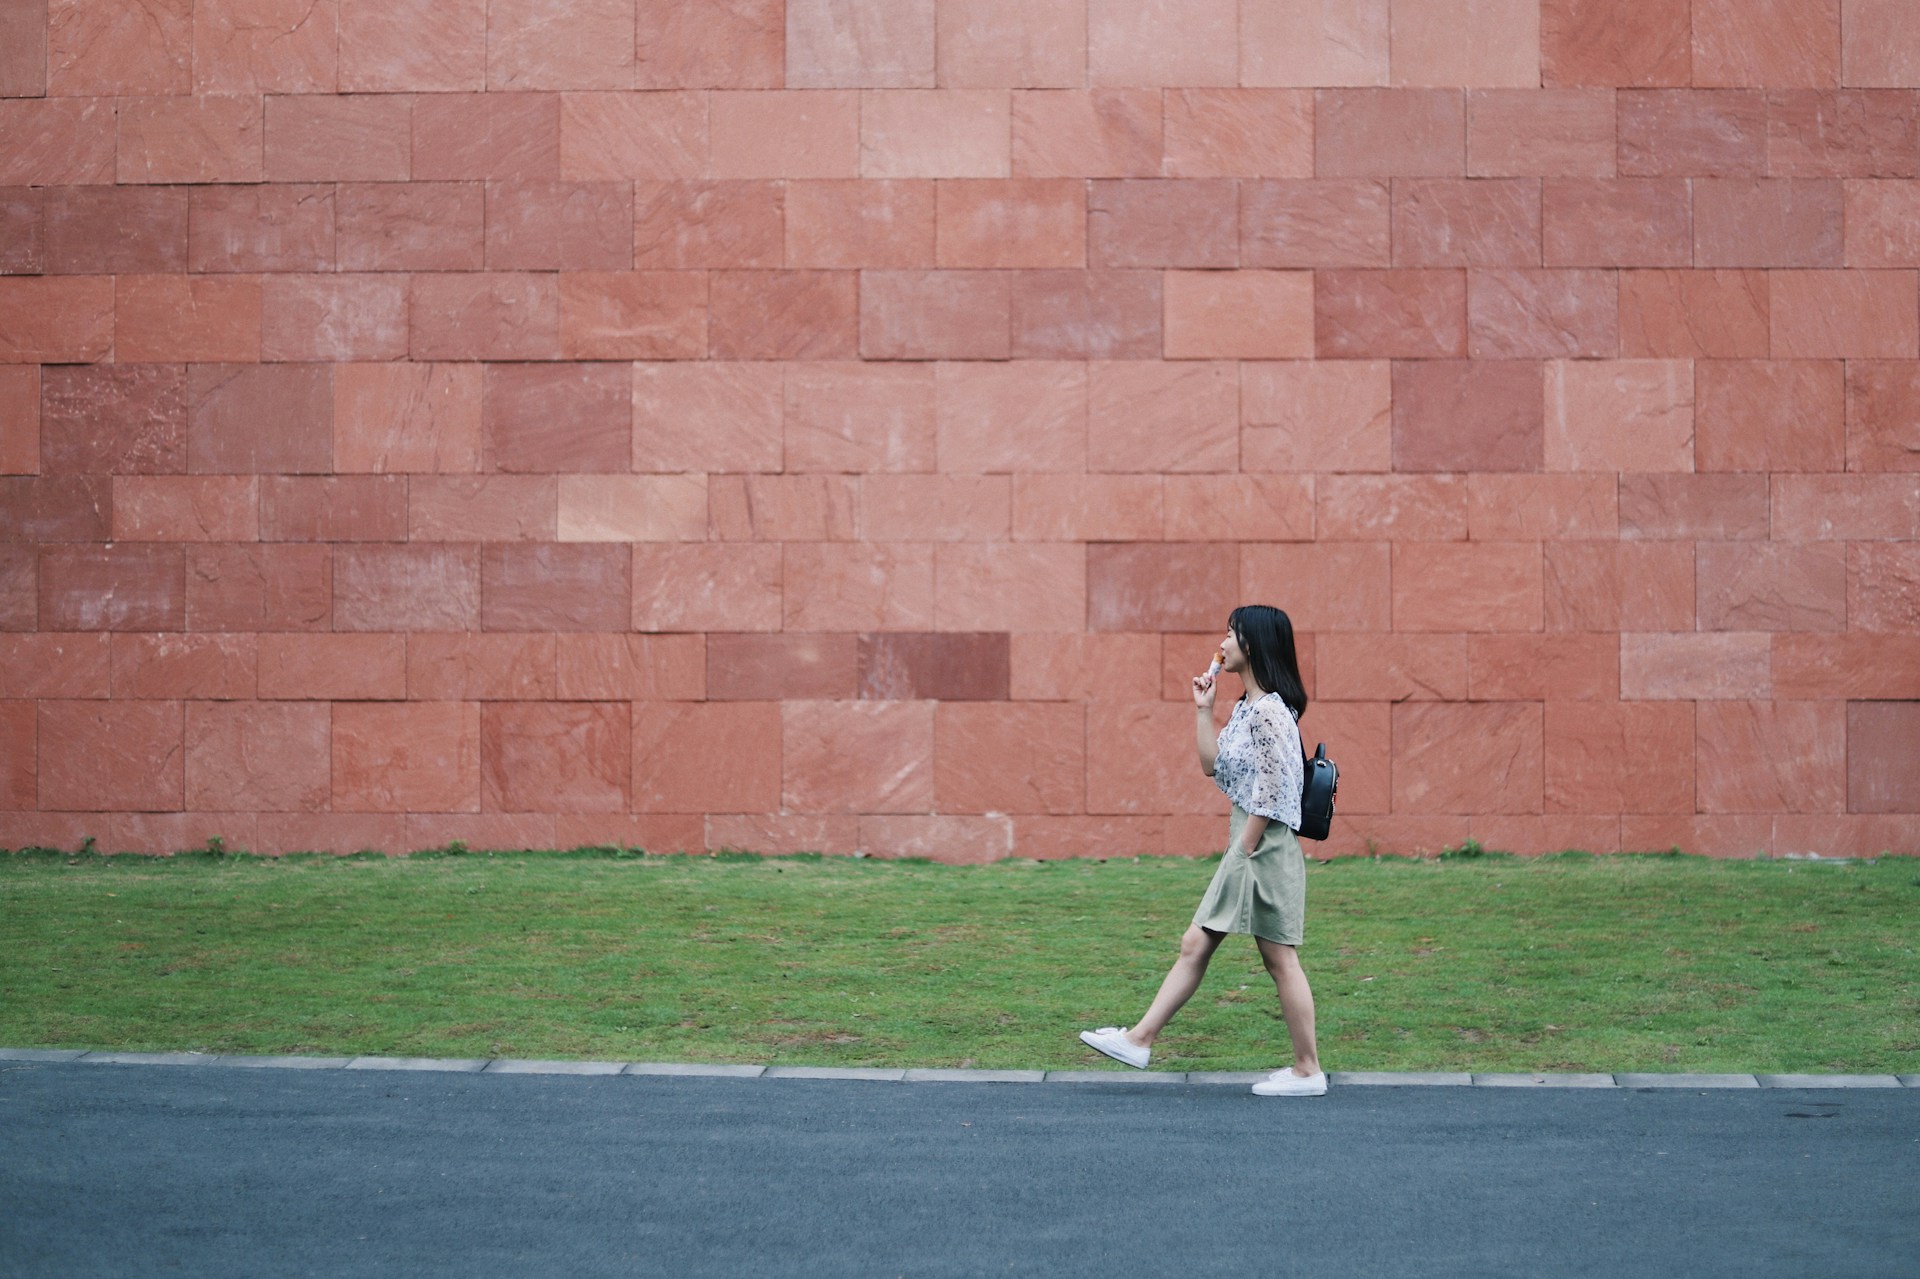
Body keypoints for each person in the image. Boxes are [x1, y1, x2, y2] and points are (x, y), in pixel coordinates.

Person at [1078, 604, 1326, 1097]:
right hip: (1253, 840)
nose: (1223, 643)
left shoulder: (1271, 711)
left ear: (1251, 644)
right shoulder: (1246, 709)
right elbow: (1214, 768)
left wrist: (1245, 847)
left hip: (1262, 843)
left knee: (1267, 956)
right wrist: (1202, 710)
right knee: (1245, 952)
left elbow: (1276, 792)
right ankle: (1144, 1039)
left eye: (1231, 634)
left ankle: (1304, 1070)